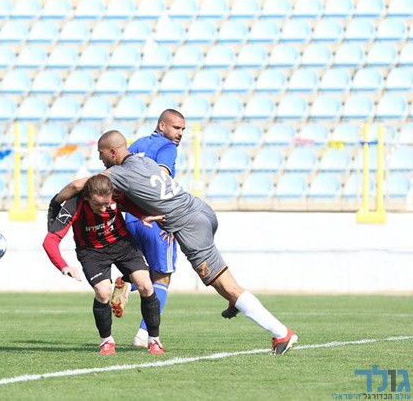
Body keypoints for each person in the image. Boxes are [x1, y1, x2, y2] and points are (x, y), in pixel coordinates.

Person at [54, 131, 298, 356]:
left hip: (189, 225)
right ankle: (234, 300)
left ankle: (281, 333)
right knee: (220, 281)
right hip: (200, 209)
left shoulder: (120, 174)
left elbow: (77, 185)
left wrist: (55, 203)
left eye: (101, 154)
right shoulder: (145, 161)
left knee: (226, 284)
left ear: (112, 152)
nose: (100, 159)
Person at [43, 174, 164, 355]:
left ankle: (154, 340)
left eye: (106, 204)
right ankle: (106, 341)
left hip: (122, 244)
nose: (102, 209)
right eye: (97, 204)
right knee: (103, 292)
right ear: (87, 197)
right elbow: (50, 240)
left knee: (146, 286)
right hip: (91, 252)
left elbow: (132, 204)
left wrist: (142, 216)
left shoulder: (117, 195)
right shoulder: (73, 205)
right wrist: (63, 266)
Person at [110, 109, 186, 349]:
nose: (180, 133)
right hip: (154, 218)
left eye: (182, 129)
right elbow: (160, 181)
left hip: (131, 218)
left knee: (143, 271)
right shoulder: (167, 147)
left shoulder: (137, 145)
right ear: (162, 126)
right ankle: (144, 334)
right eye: (176, 128)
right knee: (162, 276)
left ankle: (127, 282)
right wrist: (167, 218)